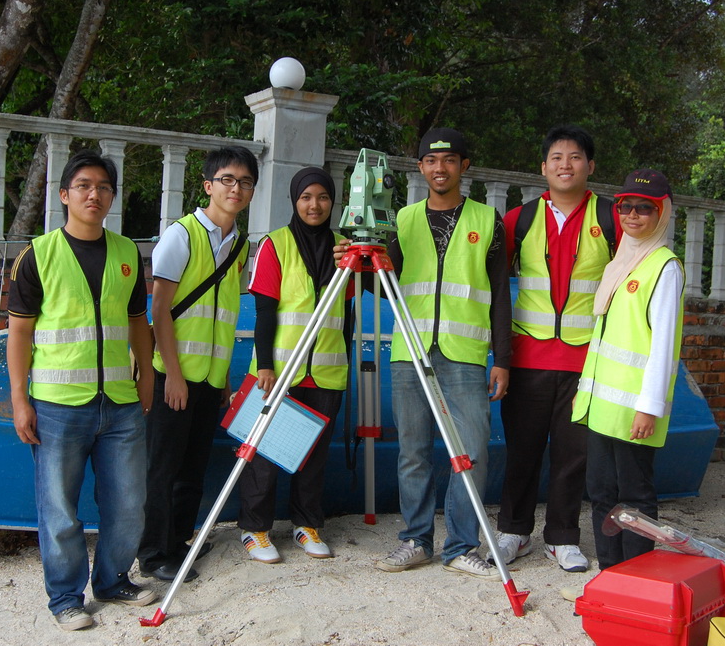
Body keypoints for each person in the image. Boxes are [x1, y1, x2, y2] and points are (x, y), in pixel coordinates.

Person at [339, 127, 511, 579]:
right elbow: (384, 286)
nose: (440, 168)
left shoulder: (487, 220)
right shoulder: (402, 219)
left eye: (450, 160)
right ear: (420, 167)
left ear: (464, 166)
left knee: (472, 451)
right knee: (412, 452)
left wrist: (503, 359)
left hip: (465, 353)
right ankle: (416, 540)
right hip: (409, 350)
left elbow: (500, 293)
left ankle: (461, 546)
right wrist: (358, 264)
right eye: (431, 161)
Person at [7, 149, 156, 632]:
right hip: (58, 406)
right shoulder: (38, 254)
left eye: (104, 187)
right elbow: (19, 333)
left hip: (121, 403)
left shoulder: (127, 252)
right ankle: (66, 598)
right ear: (64, 195)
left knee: (128, 504)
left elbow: (138, 322)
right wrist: (19, 399)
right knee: (59, 510)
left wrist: (148, 375)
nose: (95, 195)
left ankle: (112, 581)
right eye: (85, 186)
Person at [491, 125, 621, 573]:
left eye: (575, 157)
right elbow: (495, 287)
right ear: (543, 167)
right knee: (522, 449)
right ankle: (514, 530)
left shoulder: (612, 218)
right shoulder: (519, 219)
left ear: (591, 165)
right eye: (557, 158)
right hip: (527, 357)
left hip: (586, 360)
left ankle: (563, 537)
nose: (566, 165)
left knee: (573, 454)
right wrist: (501, 355)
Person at [137, 146, 256, 583]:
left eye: (245, 182)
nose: (236, 188)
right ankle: (154, 554)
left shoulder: (240, 243)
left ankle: (179, 539)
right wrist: (171, 374)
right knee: (163, 467)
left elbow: (222, 315)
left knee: (193, 465)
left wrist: (222, 378)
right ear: (208, 185)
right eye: (227, 179)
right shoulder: (181, 235)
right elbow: (160, 310)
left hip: (210, 375)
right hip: (174, 375)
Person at [237, 167, 354, 563]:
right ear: (294, 200)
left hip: (326, 370)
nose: (314, 205)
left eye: (322, 197)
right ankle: (255, 529)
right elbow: (265, 312)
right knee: (264, 453)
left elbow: (348, 312)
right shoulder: (276, 244)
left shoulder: (343, 248)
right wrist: (265, 365)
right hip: (279, 370)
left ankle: (307, 524)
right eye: (306, 197)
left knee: (314, 455)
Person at [572, 168, 684, 570]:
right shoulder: (621, 262)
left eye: (644, 208)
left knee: (634, 496)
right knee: (601, 492)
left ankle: (636, 579)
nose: (632, 215)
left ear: (662, 213)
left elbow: (663, 346)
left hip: (634, 409)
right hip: (603, 405)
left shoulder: (664, 267)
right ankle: (610, 576)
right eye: (625, 206)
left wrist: (648, 408)